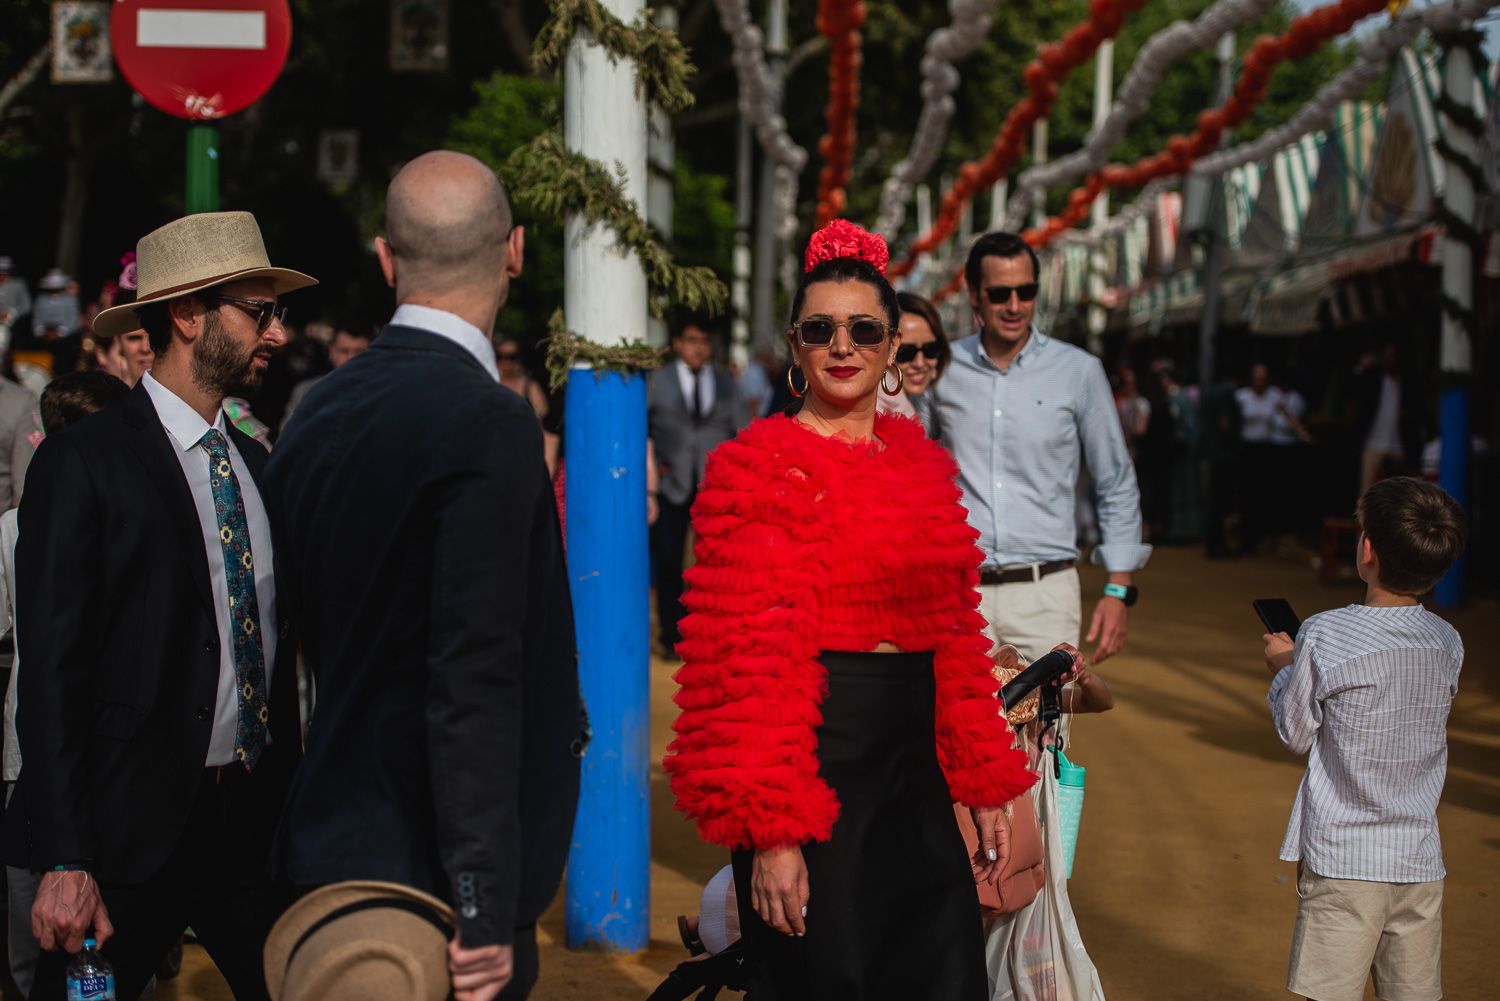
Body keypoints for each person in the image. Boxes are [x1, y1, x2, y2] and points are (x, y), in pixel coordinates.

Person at [665, 219, 1039, 1001]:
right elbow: (743, 674)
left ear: (893, 346)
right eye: (820, 329)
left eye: (865, 329)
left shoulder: (924, 470)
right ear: (794, 347)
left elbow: (956, 641)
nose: (843, 345)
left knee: (944, 979)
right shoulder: (753, 471)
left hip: (915, 782)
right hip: (810, 779)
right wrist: (774, 833)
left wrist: (980, 781)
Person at [266, 150, 582, 1001]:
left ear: (385, 258)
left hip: (329, 849)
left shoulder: (314, 412)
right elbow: (473, 676)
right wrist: (482, 901)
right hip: (440, 885)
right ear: (515, 251)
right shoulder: (491, 422)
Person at [1, 210, 312, 1001]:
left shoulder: (254, 464)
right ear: (188, 314)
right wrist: (65, 858)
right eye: (258, 311)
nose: (276, 334)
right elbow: (53, 672)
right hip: (121, 843)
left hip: (248, 834)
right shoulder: (84, 462)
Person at [1262, 476, 1465, 1001]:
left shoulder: (1324, 633)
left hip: (1344, 859)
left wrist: (1285, 669)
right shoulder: (1447, 641)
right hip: (1418, 857)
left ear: (1367, 549)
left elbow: (1295, 732)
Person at [925, 231, 1149, 665]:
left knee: (1049, 715)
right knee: (956, 712)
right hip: (958, 593)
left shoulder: (1078, 371)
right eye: (999, 293)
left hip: (1046, 595)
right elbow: (906, 463)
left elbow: (1115, 480)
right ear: (974, 295)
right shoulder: (940, 370)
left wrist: (1118, 588)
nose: (1014, 305)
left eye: (1025, 291)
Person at [2, 371, 132, 999]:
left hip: (58, 761)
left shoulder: (14, 523)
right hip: (44, 763)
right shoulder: (15, 527)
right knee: (51, 952)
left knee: (69, 953)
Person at [648, 314, 742, 655]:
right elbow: (643, 429)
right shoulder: (657, 381)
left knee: (715, 563)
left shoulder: (725, 382)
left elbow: (741, 430)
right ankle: (671, 636)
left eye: (703, 342)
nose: (698, 348)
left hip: (714, 486)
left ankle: (710, 634)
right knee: (669, 561)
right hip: (670, 483)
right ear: (677, 344)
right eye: (691, 341)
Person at [279, 325, 373, 432]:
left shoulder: (380, 392)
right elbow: (287, 435)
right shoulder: (306, 391)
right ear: (331, 352)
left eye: (359, 352)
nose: (351, 358)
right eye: (344, 351)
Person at [893, 291, 951, 428]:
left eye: (931, 349)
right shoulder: (870, 417)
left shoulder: (922, 407)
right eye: (905, 352)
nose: (919, 363)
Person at [0, 257, 31, 345]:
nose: (2, 273)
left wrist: (11, 313)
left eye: (5, 271)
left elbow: (27, 305)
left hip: (13, 324)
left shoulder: (18, 284)